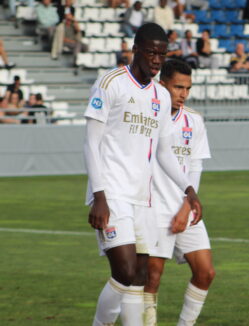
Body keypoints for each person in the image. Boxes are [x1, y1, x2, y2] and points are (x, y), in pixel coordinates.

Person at [84, 22, 203, 326]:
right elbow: (91, 143)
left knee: (138, 277)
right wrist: (99, 196)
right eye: (150, 52)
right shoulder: (111, 83)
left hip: (142, 199)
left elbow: (163, 151)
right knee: (124, 271)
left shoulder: (161, 97)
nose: (155, 59)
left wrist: (188, 189)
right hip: (111, 193)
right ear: (135, 49)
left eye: (161, 55)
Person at [142, 59, 214, 326]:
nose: (183, 94)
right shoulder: (149, 117)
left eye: (188, 88)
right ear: (162, 85)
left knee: (205, 272)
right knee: (152, 276)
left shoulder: (194, 120)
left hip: (185, 206)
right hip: (154, 206)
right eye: (178, 87)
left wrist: (187, 205)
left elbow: (195, 164)